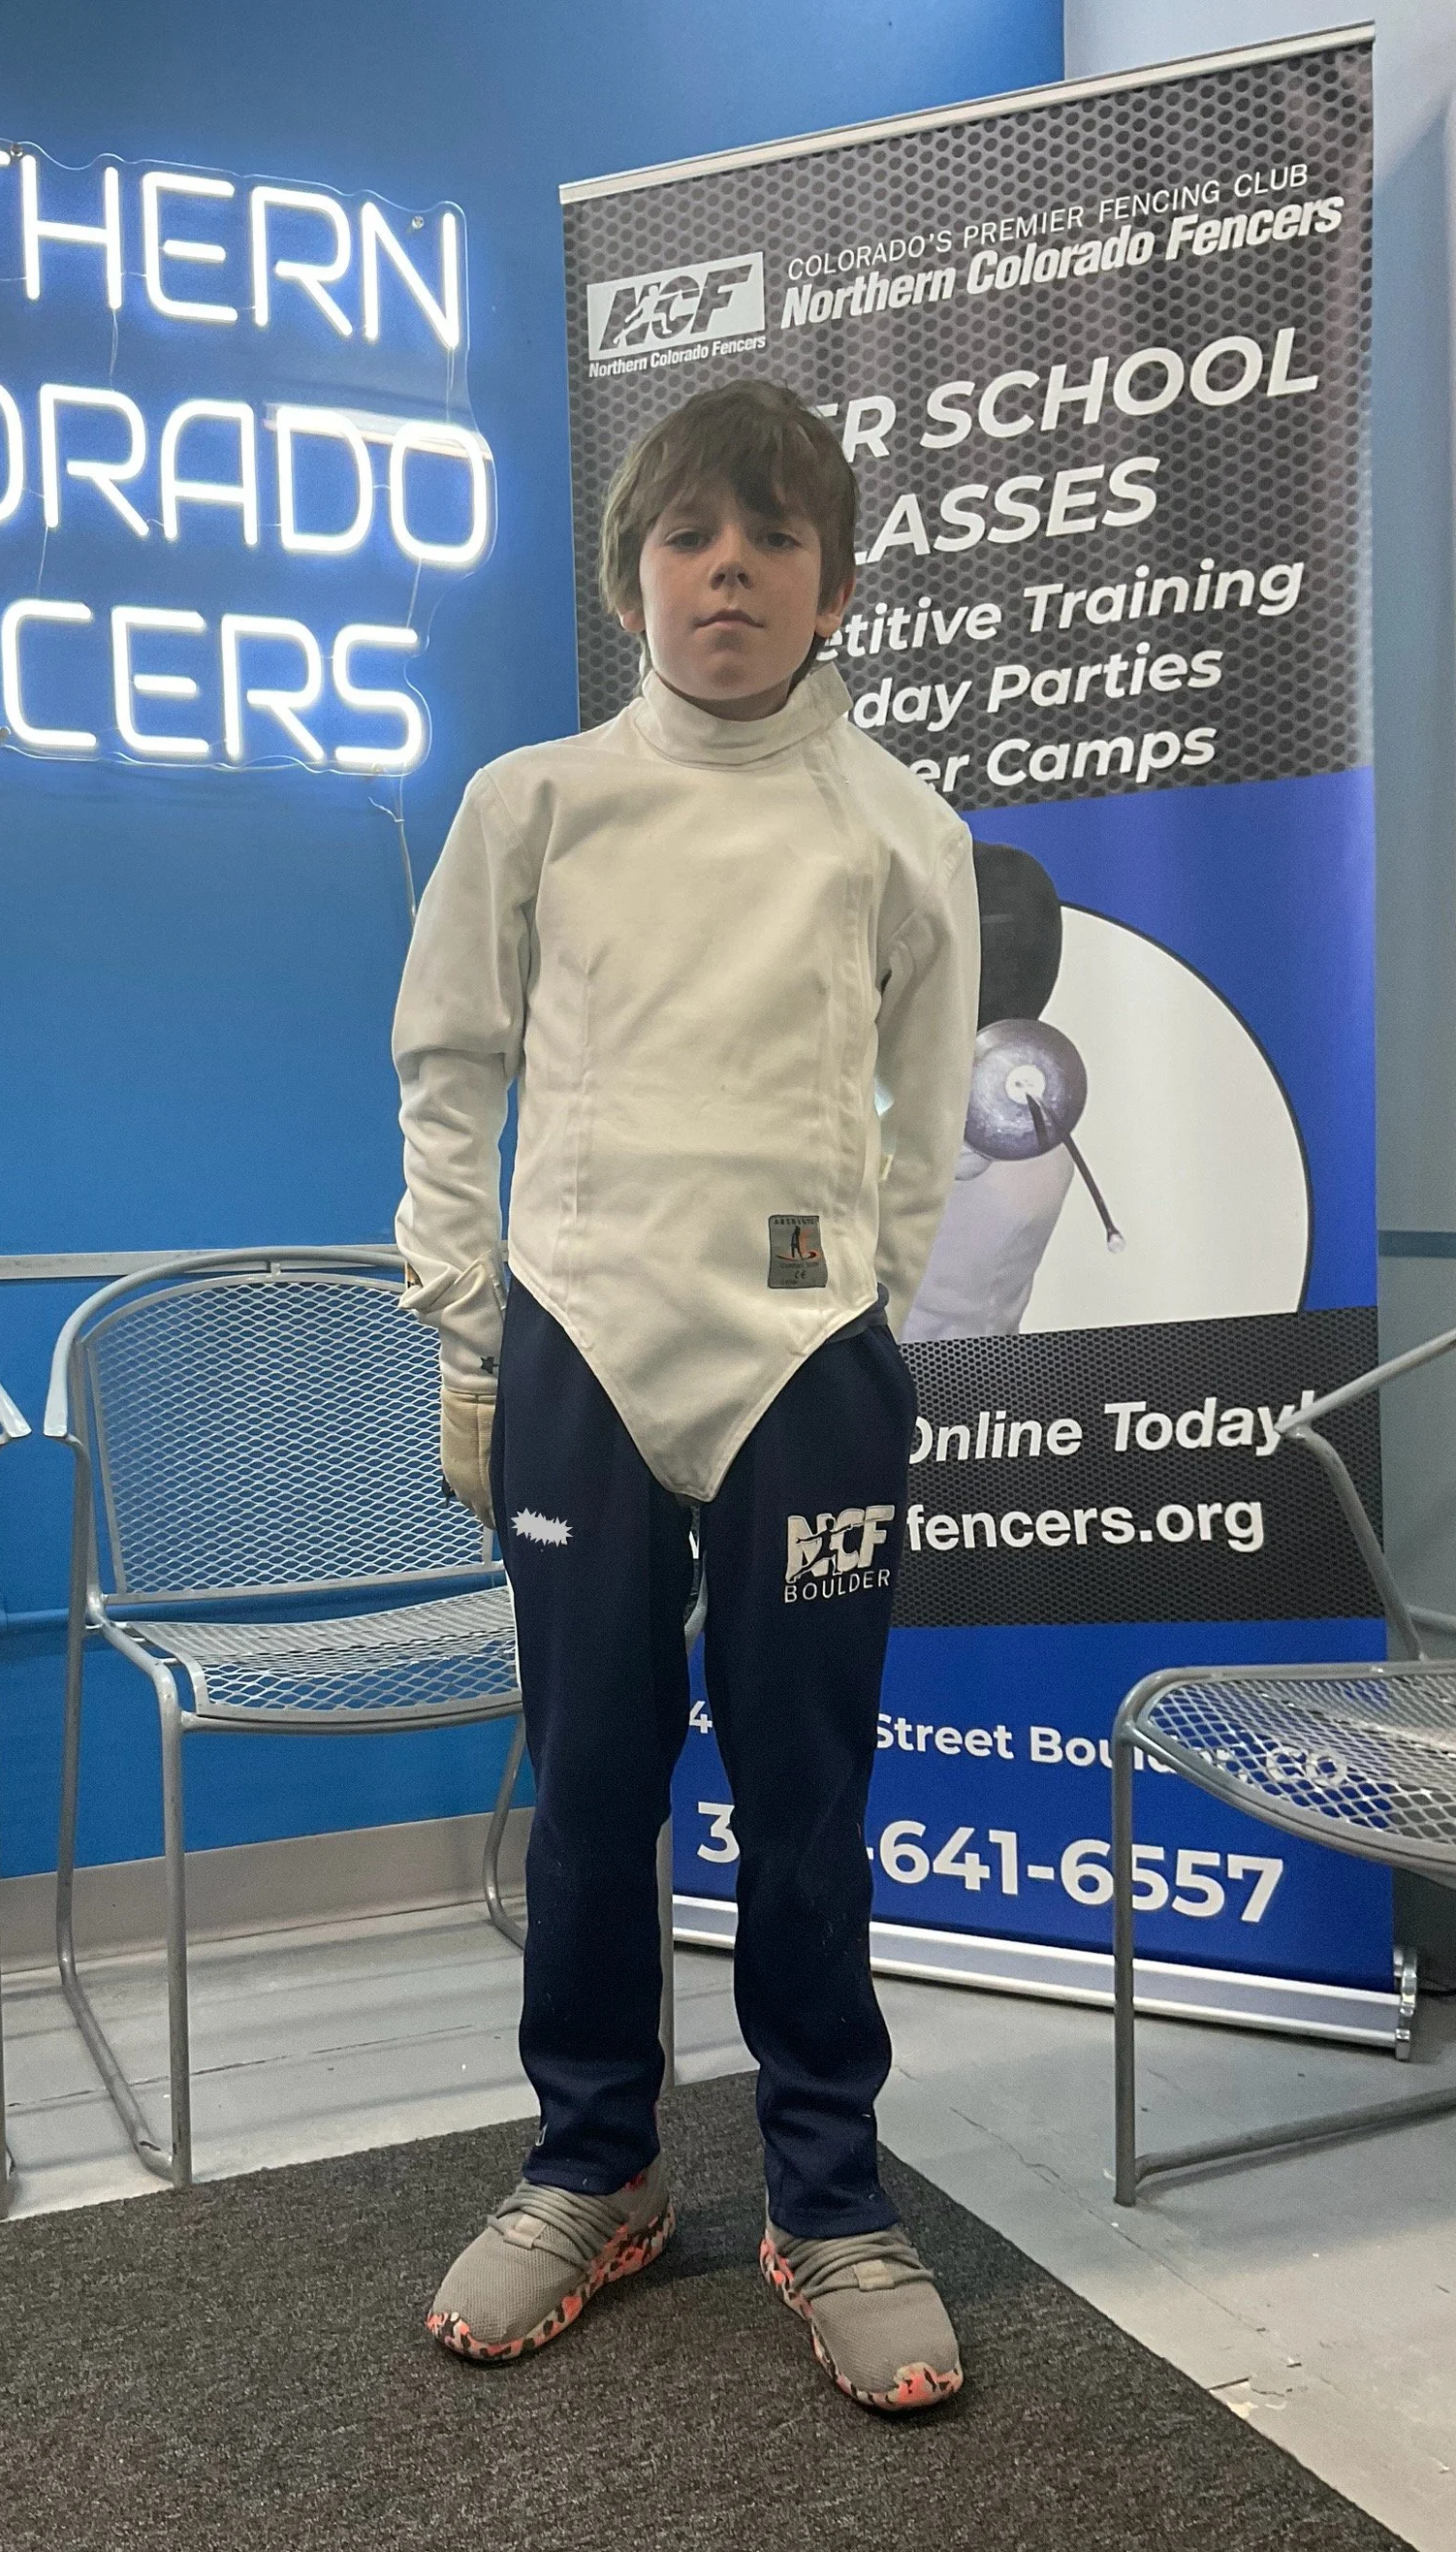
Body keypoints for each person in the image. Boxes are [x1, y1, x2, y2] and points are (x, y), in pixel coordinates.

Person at [390, 378, 979, 2411]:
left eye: (771, 541)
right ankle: (596, 2167)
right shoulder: (530, 804)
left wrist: (872, 1308)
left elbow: (929, 1121)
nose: (727, 571)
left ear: (832, 584)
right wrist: (473, 1334)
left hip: (808, 1365)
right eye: (688, 539)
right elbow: (448, 1067)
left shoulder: (901, 827)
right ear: (632, 574)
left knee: (806, 1802)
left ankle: (828, 2195)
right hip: (576, 1343)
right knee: (594, 1788)